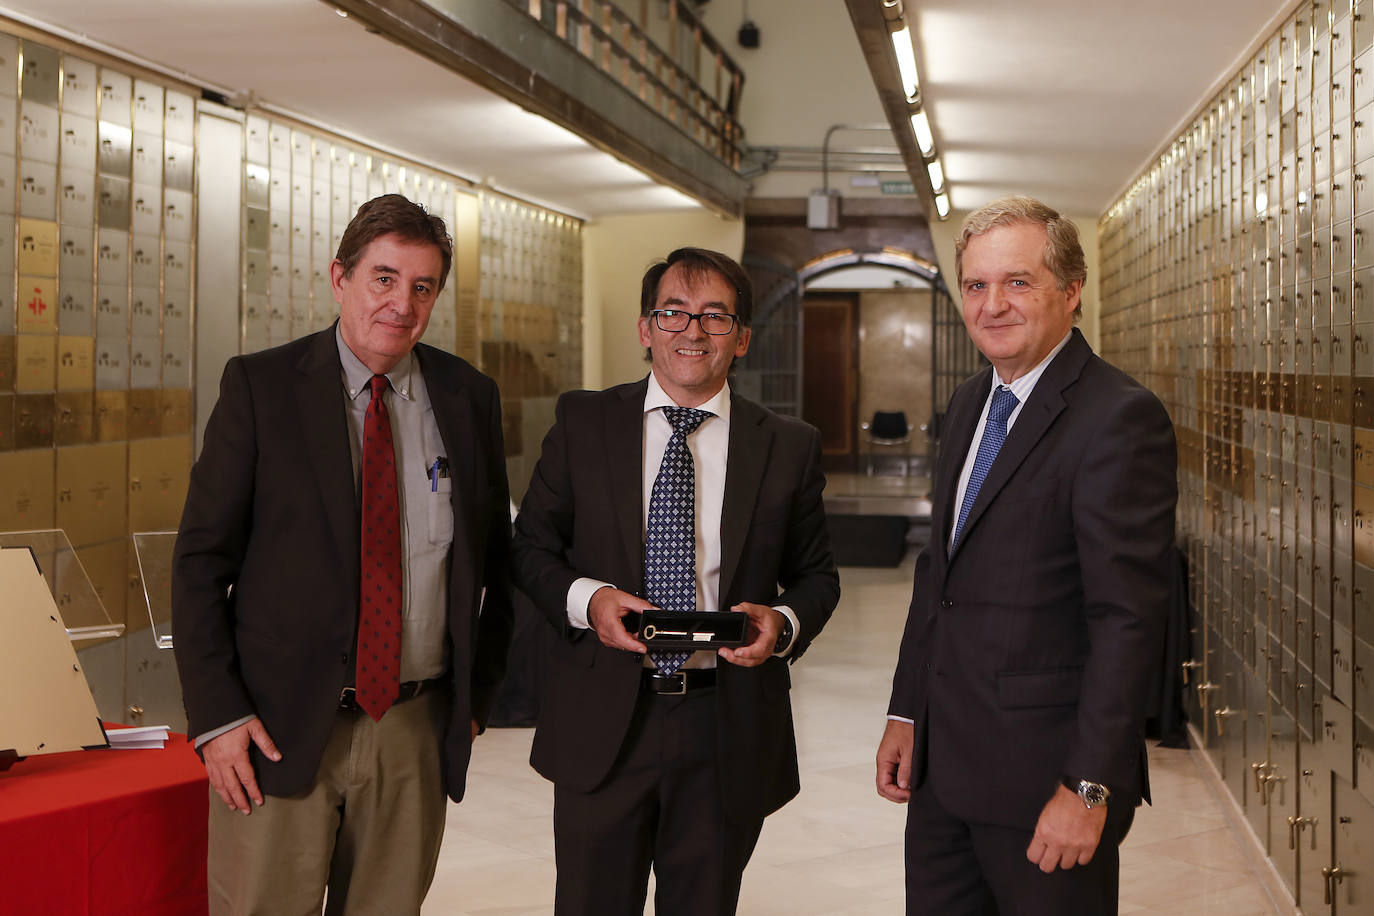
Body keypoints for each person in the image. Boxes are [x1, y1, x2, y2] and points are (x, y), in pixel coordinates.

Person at [173, 193, 514, 914]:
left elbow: (498, 564)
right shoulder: (262, 388)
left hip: (412, 727)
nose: (402, 303)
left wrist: (476, 699)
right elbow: (202, 563)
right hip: (279, 727)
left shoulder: (467, 397)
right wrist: (218, 716)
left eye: (423, 287)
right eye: (384, 278)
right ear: (340, 278)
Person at [511, 247, 840, 915]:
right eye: (674, 313)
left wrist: (784, 625)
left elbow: (816, 576)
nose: (693, 331)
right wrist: (589, 601)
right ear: (645, 329)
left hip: (725, 724)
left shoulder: (788, 445)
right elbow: (531, 548)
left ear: (742, 338)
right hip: (603, 719)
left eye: (716, 317)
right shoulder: (583, 423)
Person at [875, 196, 1177, 915]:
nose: (993, 305)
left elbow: (1127, 620)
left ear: (1071, 292)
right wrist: (907, 713)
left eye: (1018, 282)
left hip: (1046, 783)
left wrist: (1089, 787)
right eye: (977, 285)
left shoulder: (1117, 418)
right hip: (944, 773)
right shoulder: (972, 401)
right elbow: (938, 578)